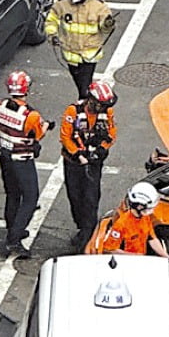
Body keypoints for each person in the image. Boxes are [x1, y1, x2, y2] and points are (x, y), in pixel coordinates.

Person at [0, 71, 52, 259]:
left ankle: (13, 229)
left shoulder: (0, 106)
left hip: (4, 157)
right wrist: (45, 126)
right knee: (30, 198)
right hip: (22, 160)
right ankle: (14, 239)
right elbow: (37, 134)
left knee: (12, 195)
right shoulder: (31, 115)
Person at [61, 80, 117, 250]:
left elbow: (112, 133)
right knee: (75, 197)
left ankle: (88, 235)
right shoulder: (73, 111)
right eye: (100, 104)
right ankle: (82, 227)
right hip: (74, 163)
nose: (103, 108)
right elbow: (65, 136)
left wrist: (101, 149)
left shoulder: (107, 112)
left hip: (94, 163)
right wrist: (78, 154)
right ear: (91, 101)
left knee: (91, 199)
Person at [45, 0, 116, 99]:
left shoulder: (98, 6)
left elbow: (106, 29)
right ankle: (87, 105)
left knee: (84, 90)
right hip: (70, 56)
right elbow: (51, 20)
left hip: (89, 55)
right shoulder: (62, 4)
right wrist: (52, 35)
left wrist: (107, 24)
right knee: (80, 86)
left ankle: (85, 109)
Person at [100, 182, 168, 256]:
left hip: (140, 259)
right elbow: (109, 250)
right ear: (139, 206)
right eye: (149, 208)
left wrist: (166, 256)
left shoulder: (145, 218)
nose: (152, 211)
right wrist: (134, 256)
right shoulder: (121, 224)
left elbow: (152, 239)